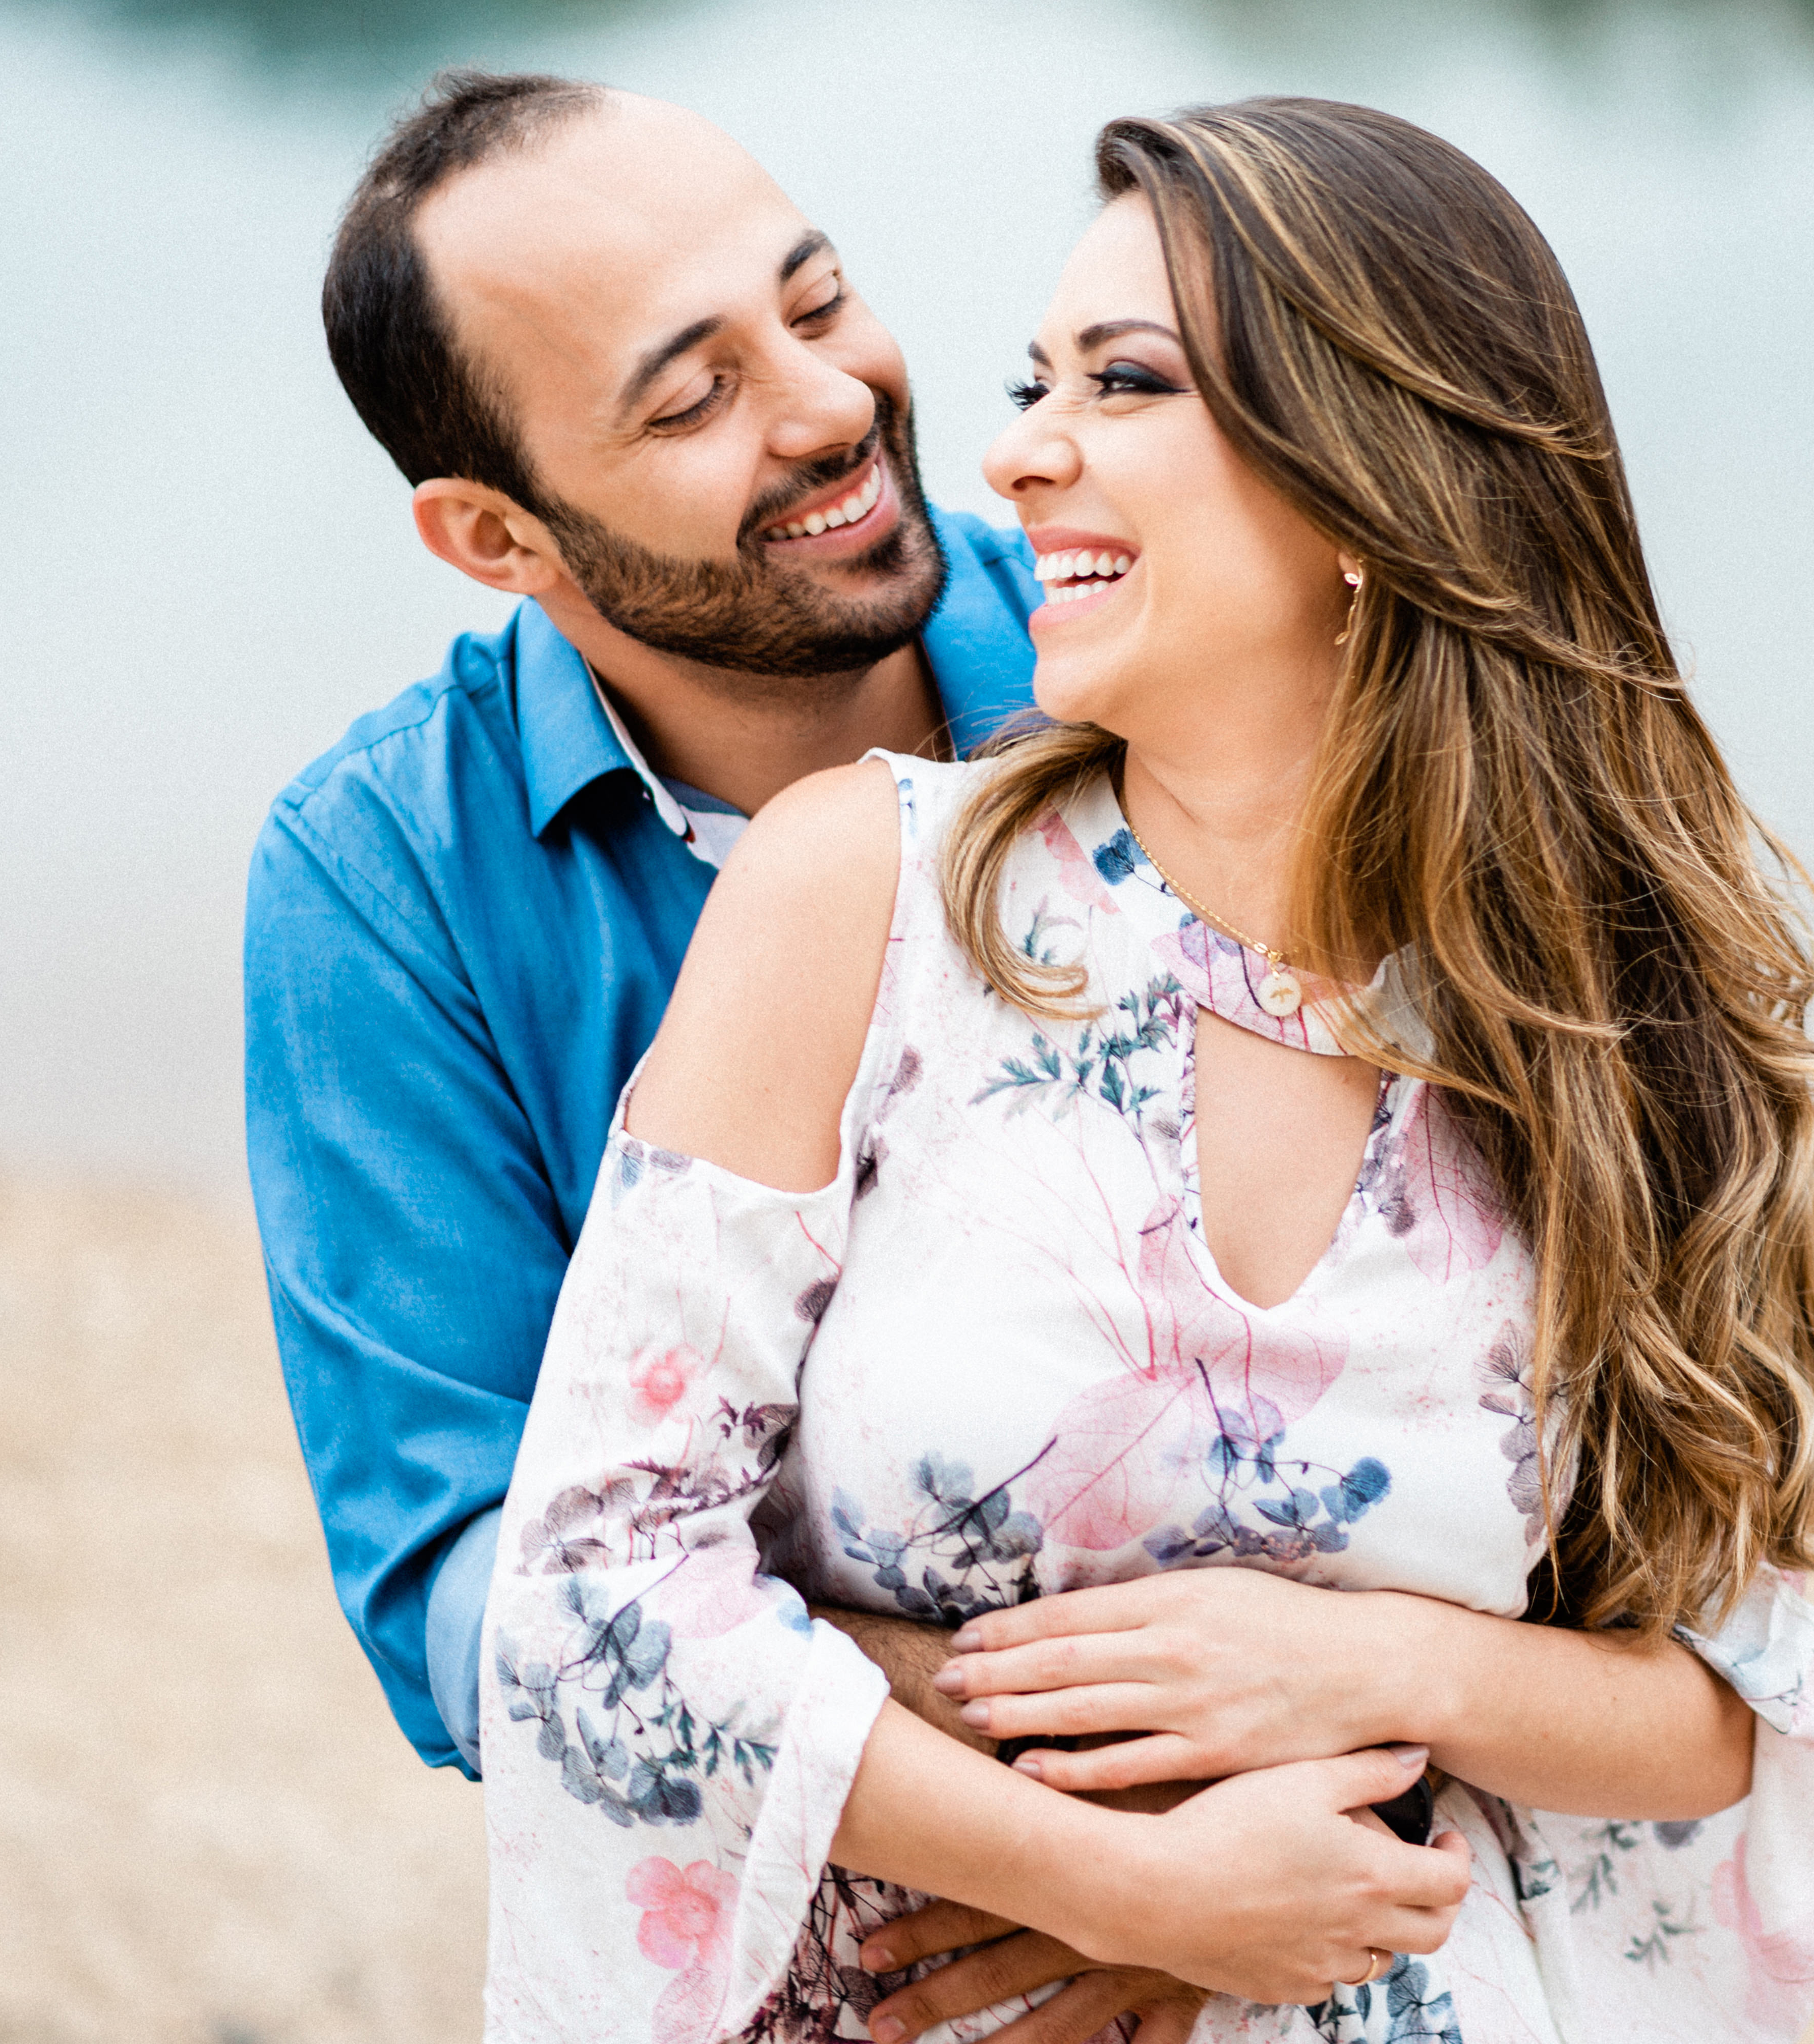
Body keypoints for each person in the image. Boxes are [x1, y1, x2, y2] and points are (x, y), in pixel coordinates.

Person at [483, 96, 1814, 2044]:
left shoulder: (1595, 1020)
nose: (1018, 454)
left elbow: (1722, 1706)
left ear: (1367, 481)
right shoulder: (871, 897)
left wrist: (1366, 1672)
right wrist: (1136, 1890)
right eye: (1034, 378)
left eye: (1125, 381)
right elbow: (594, 1588)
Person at [245, 70, 1323, 2043]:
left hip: (1311, 1866)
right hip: (809, 1932)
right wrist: (1084, 1813)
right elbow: (467, 1588)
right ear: (494, 531)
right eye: (690, 397)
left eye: (817, 304)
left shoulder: (1157, 659)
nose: (827, 406)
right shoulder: (380, 876)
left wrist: (1257, 1824)